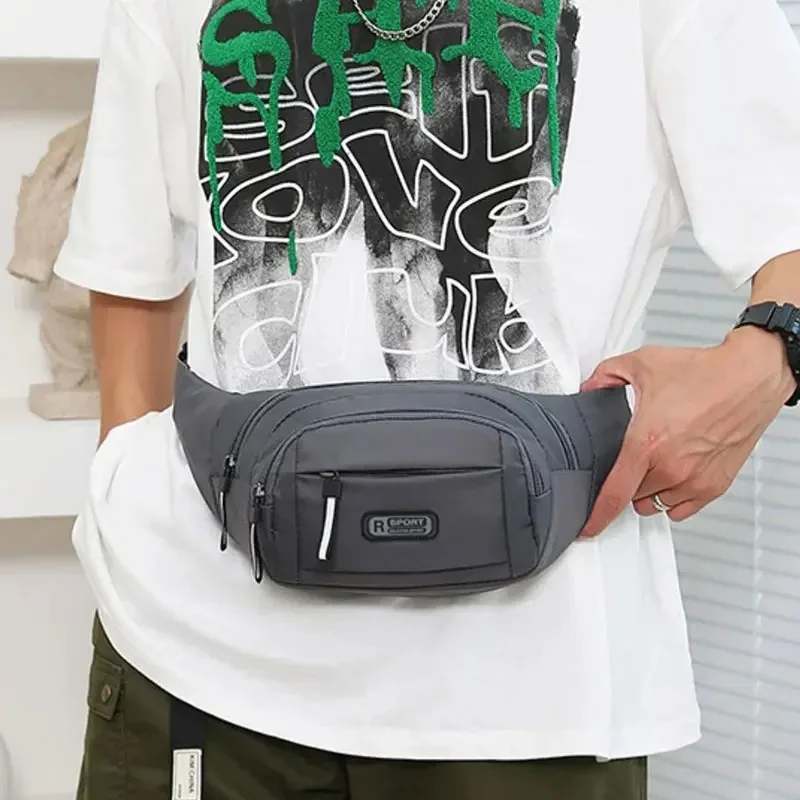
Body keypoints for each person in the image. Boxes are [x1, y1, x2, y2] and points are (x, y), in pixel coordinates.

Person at [54, 0, 800, 797]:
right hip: (195, 649)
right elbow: (133, 259)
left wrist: (765, 362)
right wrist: (122, 479)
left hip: (532, 687)